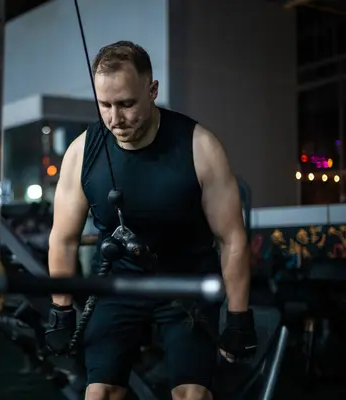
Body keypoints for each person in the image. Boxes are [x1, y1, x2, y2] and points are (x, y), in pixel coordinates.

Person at [44, 41, 257, 400]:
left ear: (152, 90)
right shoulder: (82, 151)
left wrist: (239, 316)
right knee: (100, 394)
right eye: (105, 105)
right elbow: (63, 239)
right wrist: (60, 310)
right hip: (118, 285)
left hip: (186, 283)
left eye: (126, 103)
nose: (115, 119)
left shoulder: (200, 146)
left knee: (192, 395)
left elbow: (232, 238)